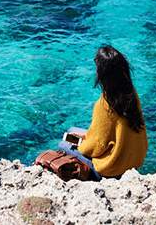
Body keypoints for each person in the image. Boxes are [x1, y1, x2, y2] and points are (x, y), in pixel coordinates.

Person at [58, 45, 148, 180]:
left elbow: (97, 146)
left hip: (113, 169)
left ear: (102, 74)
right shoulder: (131, 93)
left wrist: (81, 143)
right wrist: (86, 136)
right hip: (135, 161)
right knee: (73, 130)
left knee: (63, 143)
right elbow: (112, 132)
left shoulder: (104, 105)